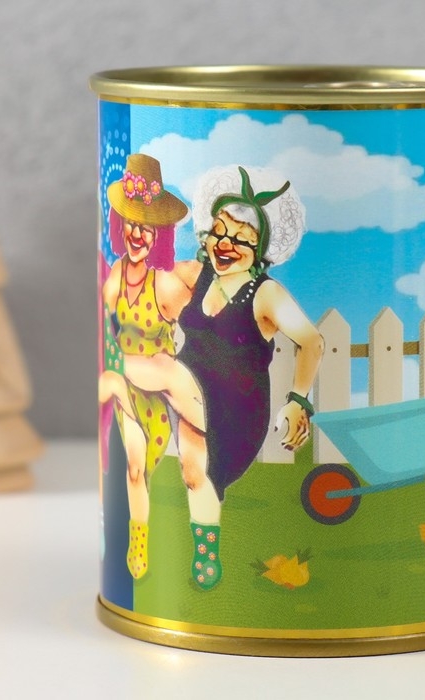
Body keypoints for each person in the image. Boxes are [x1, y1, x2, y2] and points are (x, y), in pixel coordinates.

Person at [120, 165, 324, 590]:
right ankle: (206, 555)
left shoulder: (265, 293)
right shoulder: (198, 277)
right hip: (190, 393)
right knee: (194, 472)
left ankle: (121, 371)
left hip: (237, 408)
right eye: (219, 232)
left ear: (260, 248)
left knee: (163, 374)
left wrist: (298, 401)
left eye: (241, 239)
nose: (226, 245)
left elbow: (312, 341)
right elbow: (156, 279)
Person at [99, 153, 207, 580]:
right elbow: (106, 330)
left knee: (189, 459)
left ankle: (204, 532)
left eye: (147, 227)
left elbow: (204, 290)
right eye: (131, 223)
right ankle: (138, 543)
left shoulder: (164, 281)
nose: (137, 234)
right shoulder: (114, 278)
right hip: (129, 388)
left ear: (159, 234)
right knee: (134, 469)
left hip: (157, 389)